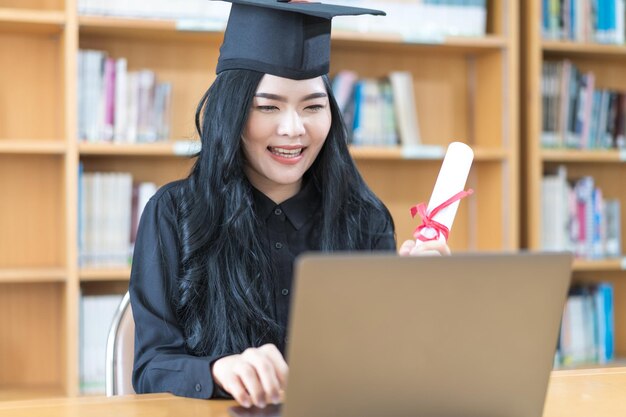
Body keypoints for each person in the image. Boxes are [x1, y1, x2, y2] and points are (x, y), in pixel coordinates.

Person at [129, 0, 450, 409]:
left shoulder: (364, 220)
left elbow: (386, 369)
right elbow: (151, 367)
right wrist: (216, 371)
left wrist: (424, 304)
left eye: (313, 106)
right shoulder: (174, 215)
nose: (294, 129)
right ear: (232, 112)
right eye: (268, 106)